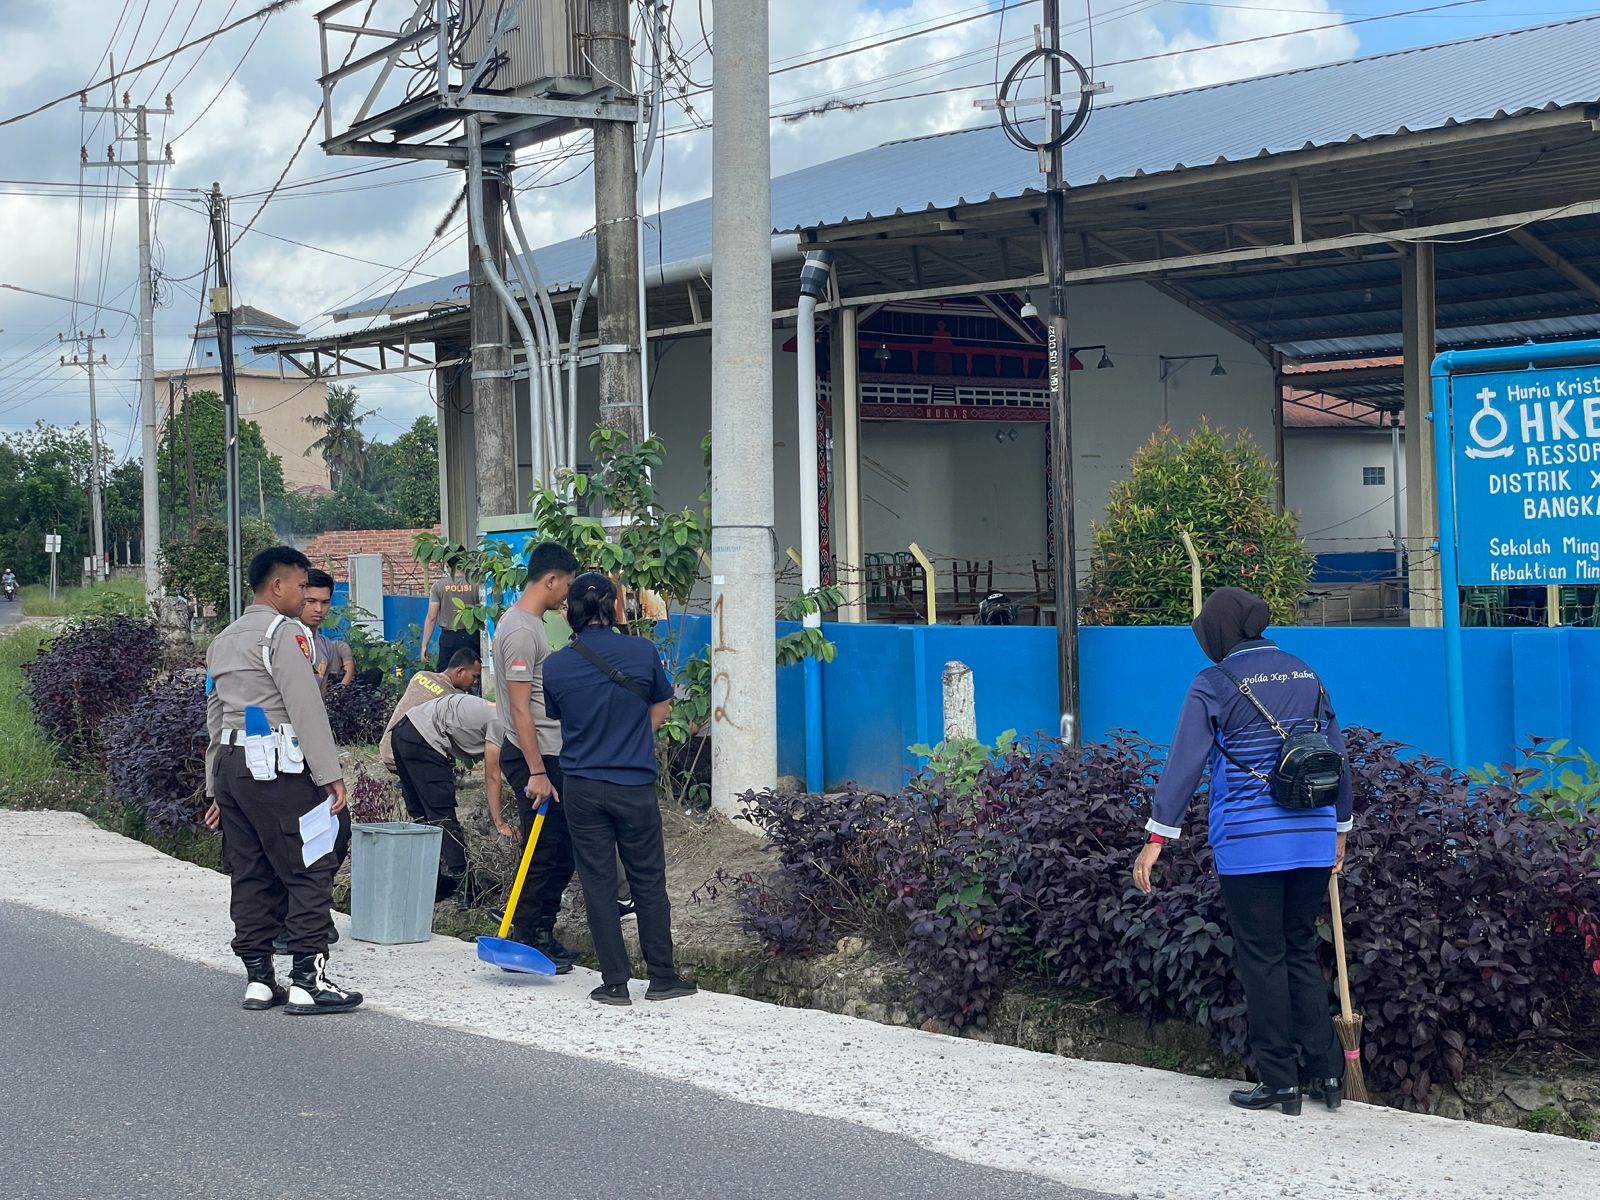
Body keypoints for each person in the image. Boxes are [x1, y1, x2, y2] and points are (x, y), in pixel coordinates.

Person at [1132, 587, 1352, 1115]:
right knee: (1299, 947)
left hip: (1251, 844)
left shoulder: (1214, 683)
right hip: (1313, 838)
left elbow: (1184, 763)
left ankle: (1280, 1082)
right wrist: (1340, 827)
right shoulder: (1306, 673)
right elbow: (1336, 754)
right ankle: (1328, 1074)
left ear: (1218, 631)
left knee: (1262, 956)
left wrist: (1156, 838)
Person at [205, 546, 362, 1016]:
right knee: (310, 863)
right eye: (299, 585)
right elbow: (305, 706)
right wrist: (330, 774)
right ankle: (307, 981)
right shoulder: (285, 632)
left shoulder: (225, 638)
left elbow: (214, 715)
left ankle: (258, 978)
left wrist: (214, 787)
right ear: (277, 586)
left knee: (249, 869)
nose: (304, 593)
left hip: (232, 766)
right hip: (278, 765)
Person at [544, 572, 696, 1007]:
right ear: (614, 606)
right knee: (648, 881)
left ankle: (614, 984)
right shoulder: (642, 651)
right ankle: (663, 978)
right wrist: (636, 733)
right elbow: (663, 702)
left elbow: (559, 717)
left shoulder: (556, 664)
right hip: (634, 783)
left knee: (597, 882)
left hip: (583, 785)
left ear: (570, 610)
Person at [492, 541, 580, 970]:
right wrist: (537, 771)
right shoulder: (522, 631)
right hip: (535, 755)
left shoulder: (528, 623)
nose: (567, 594)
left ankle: (541, 929)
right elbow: (521, 707)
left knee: (558, 848)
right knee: (546, 849)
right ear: (550, 580)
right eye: (566, 585)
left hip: (543, 752)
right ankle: (529, 935)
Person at [390, 691, 516, 904]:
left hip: (403, 731)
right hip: (423, 737)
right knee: (442, 817)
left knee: (421, 816)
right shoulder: (502, 722)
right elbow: (492, 775)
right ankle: (466, 890)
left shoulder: (495, 710)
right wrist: (500, 823)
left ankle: (432, 885)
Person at [378, 649, 483, 774]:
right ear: (460, 671)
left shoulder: (420, 676)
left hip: (387, 750)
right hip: (405, 759)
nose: (475, 681)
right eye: (474, 676)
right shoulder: (452, 699)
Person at [301, 568, 355, 695]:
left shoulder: (326, 646)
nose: (319, 609)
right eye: (311, 601)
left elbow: (321, 698)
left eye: (325, 602)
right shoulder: (283, 638)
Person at [422, 561, 482, 672]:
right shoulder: (476, 584)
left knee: (445, 674)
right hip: (472, 636)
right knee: (473, 672)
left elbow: (431, 616)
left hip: (449, 637)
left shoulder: (439, 586)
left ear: (447, 566)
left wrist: (424, 645)